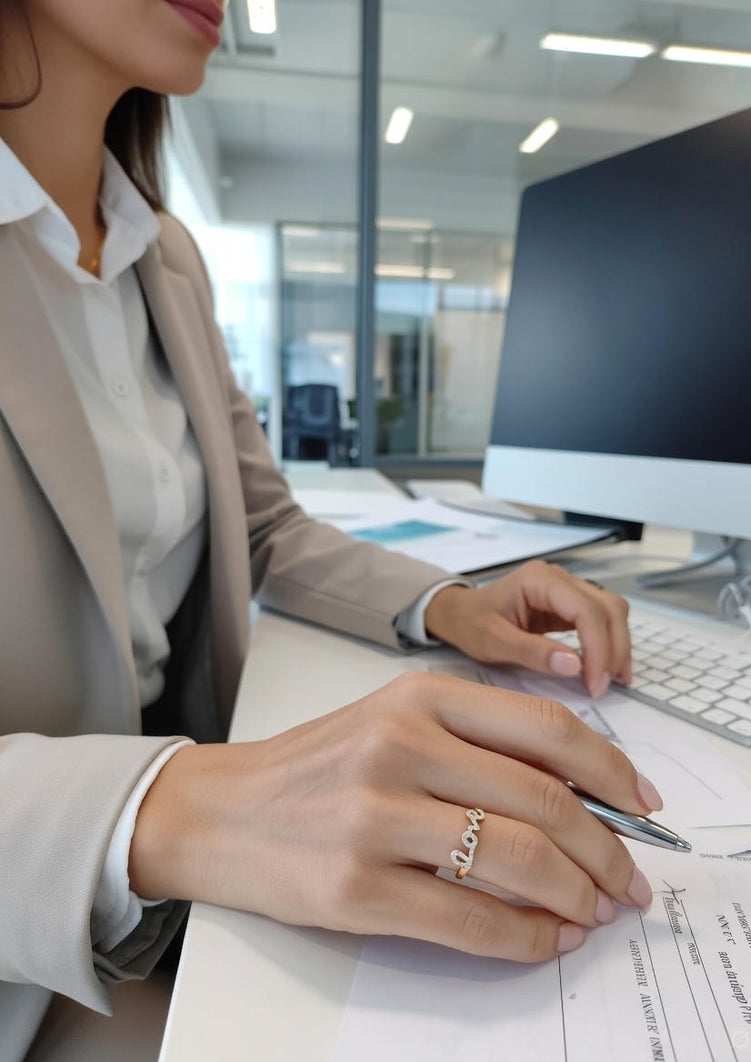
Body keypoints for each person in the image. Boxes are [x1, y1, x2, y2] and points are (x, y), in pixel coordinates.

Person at [0, 0, 660, 1056]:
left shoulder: (166, 257)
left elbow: (264, 524)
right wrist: (168, 809)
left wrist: (448, 603)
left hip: (164, 913)